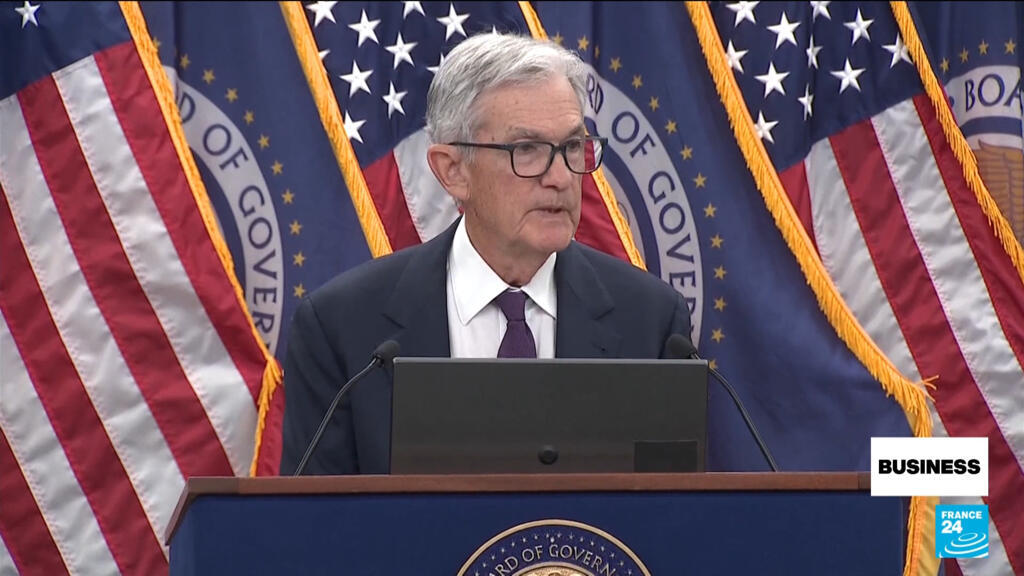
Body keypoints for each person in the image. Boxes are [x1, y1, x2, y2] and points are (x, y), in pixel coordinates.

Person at [280, 33, 692, 475]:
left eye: (572, 147)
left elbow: (671, 509)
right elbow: (317, 514)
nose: (560, 177)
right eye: (527, 150)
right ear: (453, 171)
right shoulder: (342, 328)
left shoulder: (650, 322)